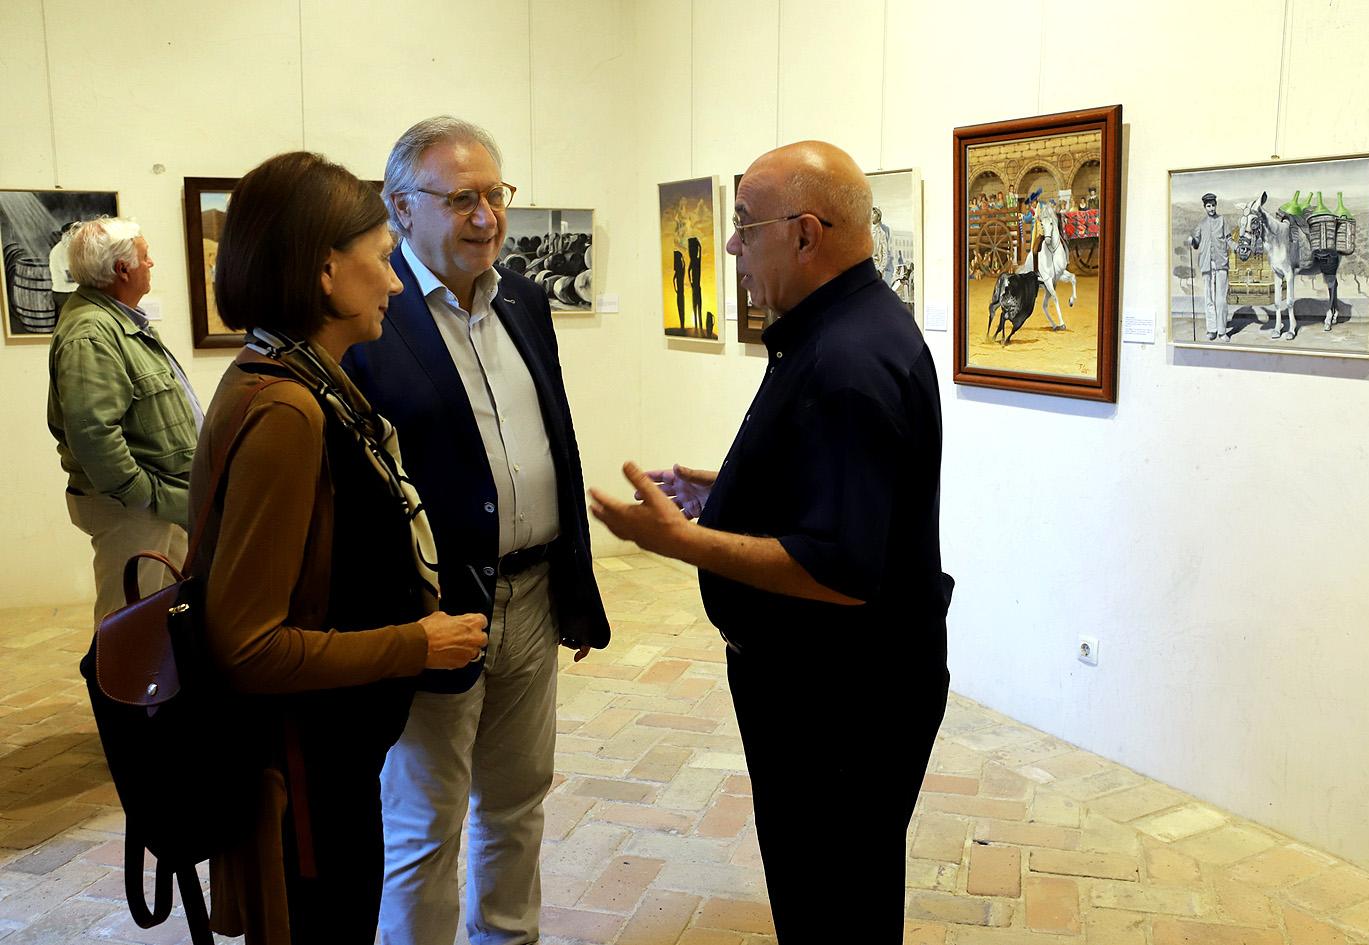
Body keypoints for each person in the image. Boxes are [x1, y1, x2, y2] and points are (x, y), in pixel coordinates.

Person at [588, 140, 952, 944]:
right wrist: (729, 493)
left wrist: (683, 539)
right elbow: (848, 495)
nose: (728, 247)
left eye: (744, 225)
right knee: (832, 889)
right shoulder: (841, 328)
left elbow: (841, 568)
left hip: (841, 702)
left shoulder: (846, 358)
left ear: (805, 233)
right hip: (839, 687)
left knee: (832, 902)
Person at [192, 151, 489, 944]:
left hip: (331, 761)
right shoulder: (287, 408)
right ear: (327, 270)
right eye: (384, 259)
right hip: (304, 780)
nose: (395, 283)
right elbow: (246, 645)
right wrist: (416, 643)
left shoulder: (298, 376)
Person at [341, 116, 610, 945]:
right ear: (401, 207)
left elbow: (555, 440)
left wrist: (573, 580)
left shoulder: (524, 298)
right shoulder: (368, 315)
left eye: (495, 195)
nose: (487, 216)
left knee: (520, 800)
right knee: (426, 824)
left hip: (530, 597)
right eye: (462, 199)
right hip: (433, 616)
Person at [46, 217, 201, 627]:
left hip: (158, 501)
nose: (151, 263)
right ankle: (122, 693)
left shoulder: (116, 320)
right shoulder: (92, 332)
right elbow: (93, 433)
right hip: (133, 508)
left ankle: (158, 691)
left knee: (162, 615)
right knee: (131, 624)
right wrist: (141, 496)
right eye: (145, 257)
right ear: (122, 270)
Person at [1189, 192, 1237, 341]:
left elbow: (1229, 239)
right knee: (1209, 298)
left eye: (1213, 205)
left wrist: (1237, 247)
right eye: (1208, 206)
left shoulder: (1222, 220)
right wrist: (1192, 241)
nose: (1211, 208)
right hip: (1206, 265)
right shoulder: (1201, 224)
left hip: (1221, 263)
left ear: (1216, 205)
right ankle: (1212, 329)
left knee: (1221, 299)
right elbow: (1196, 243)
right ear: (1205, 207)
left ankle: (1222, 331)